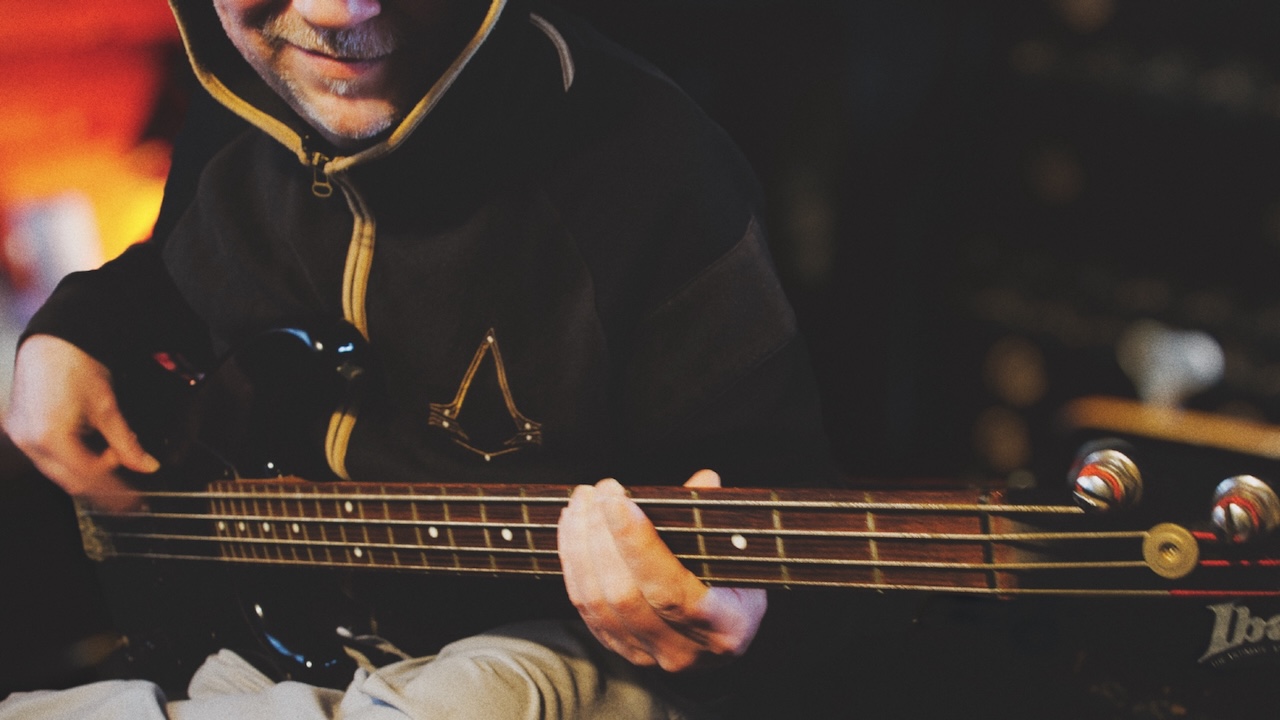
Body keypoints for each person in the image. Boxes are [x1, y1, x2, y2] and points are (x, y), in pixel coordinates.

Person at [1, 0, 832, 717]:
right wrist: (76, 326)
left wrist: (736, 629)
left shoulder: (661, 169)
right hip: (270, 644)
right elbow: (184, 271)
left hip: (534, 666)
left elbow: (785, 546)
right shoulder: (240, 91)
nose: (336, 12)